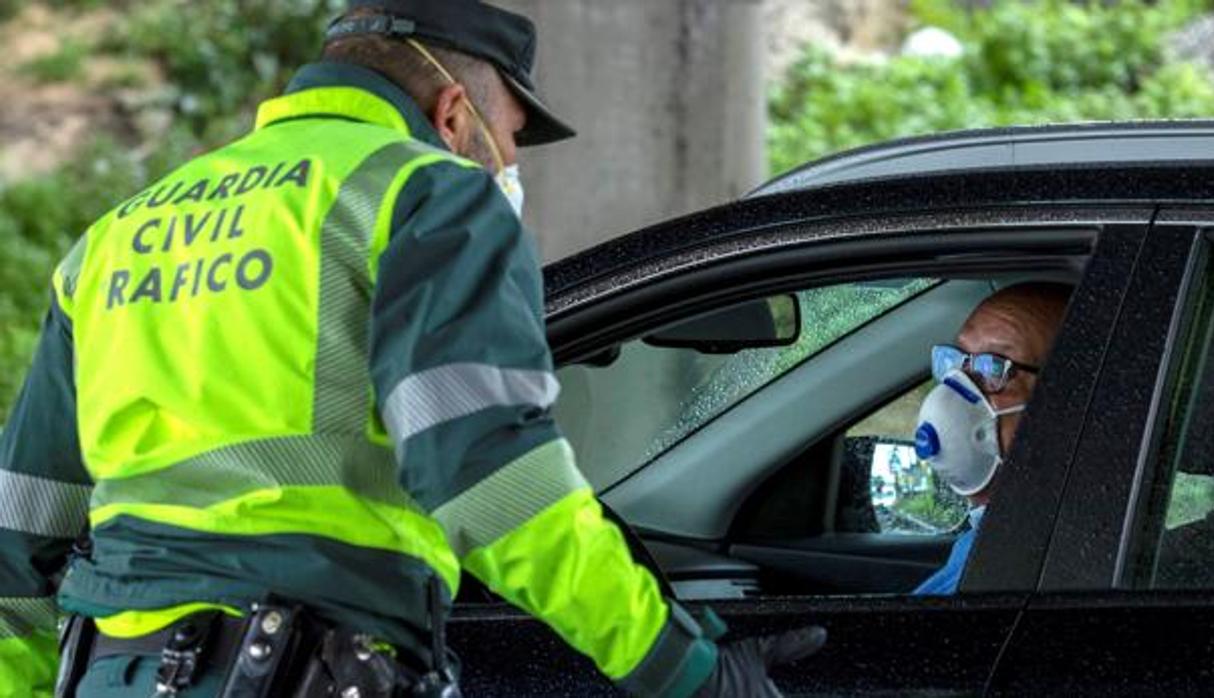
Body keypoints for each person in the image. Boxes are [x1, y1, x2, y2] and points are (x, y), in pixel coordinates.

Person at [0, 2, 824, 696]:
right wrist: (688, 672)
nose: (504, 165)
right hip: (303, 665)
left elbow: (20, 530)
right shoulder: (427, 194)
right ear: (453, 114)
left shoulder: (121, 234)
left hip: (113, 671)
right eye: (508, 138)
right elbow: (490, 481)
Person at [911, 282, 1071, 595]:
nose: (956, 390)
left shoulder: (1018, 568)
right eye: (956, 361)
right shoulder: (995, 541)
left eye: (994, 368)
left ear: (1064, 404)